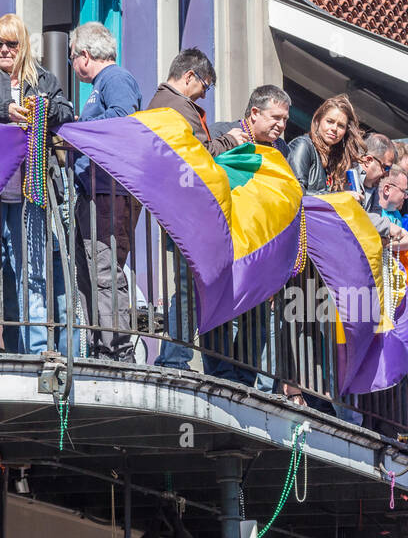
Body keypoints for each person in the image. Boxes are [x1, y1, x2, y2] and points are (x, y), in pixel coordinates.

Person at [0, 13, 75, 354]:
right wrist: (1, 109)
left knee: (32, 272)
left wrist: (45, 109)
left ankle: (35, 349)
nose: (3, 50)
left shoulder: (43, 78)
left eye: (11, 44)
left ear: (22, 46)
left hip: (30, 188)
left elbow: (66, 110)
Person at [203, 85, 294, 387]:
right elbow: (199, 169)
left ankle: (244, 378)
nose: (281, 125)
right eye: (275, 117)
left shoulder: (281, 151)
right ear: (254, 113)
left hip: (260, 248)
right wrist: (225, 146)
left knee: (254, 317)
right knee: (219, 311)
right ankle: (221, 375)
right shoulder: (221, 133)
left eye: (285, 119)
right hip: (223, 242)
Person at [68, 21, 143, 362]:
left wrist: (74, 129)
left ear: (85, 55)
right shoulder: (104, 83)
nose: (73, 64)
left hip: (107, 192)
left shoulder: (116, 79)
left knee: (104, 271)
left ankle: (117, 349)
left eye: (72, 57)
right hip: (95, 192)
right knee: (91, 273)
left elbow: (123, 116)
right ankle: (102, 346)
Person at [151, 49, 223, 371]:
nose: (204, 95)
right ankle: (175, 357)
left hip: (175, 210)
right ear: (189, 76)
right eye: (205, 87)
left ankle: (174, 355)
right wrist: (230, 140)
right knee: (189, 287)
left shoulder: (159, 101)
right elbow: (201, 155)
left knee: (188, 286)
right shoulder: (179, 107)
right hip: (187, 212)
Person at [286, 94, 362, 193]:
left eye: (341, 126)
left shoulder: (337, 157)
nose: (334, 128)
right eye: (330, 121)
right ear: (318, 121)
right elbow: (295, 192)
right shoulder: (303, 146)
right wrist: (339, 197)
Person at [351, 132, 396, 207]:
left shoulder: (374, 186)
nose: (387, 174)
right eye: (386, 168)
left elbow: (375, 215)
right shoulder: (345, 176)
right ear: (368, 160)